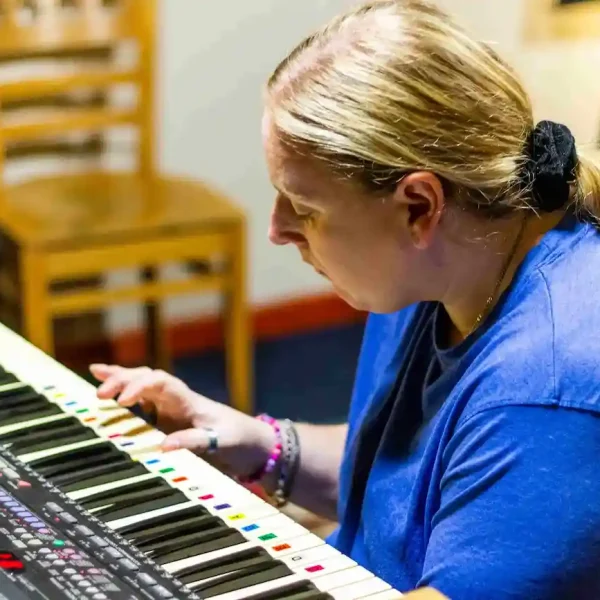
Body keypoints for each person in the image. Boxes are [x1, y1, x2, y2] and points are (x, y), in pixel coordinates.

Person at [90, 0, 600, 598]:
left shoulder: (544, 394)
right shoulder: (443, 262)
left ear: (418, 206)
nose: (278, 229)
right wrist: (259, 446)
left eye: (304, 207)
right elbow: (411, 485)